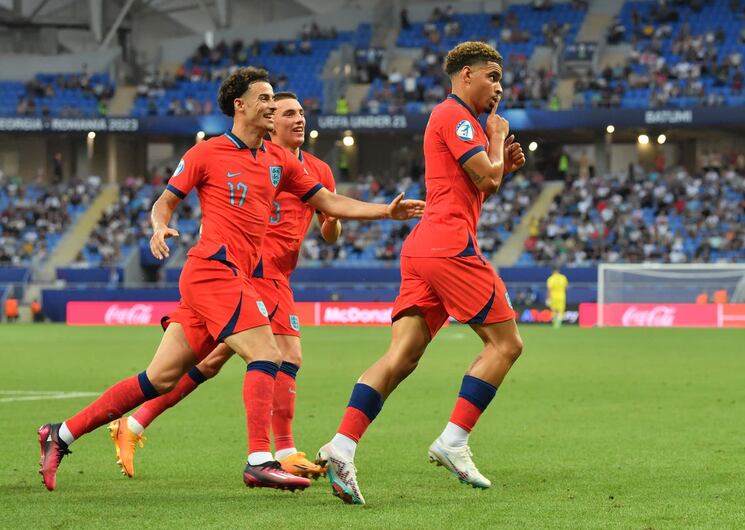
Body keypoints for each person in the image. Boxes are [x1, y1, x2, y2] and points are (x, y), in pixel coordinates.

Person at [37, 67, 424, 492]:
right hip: (212, 270)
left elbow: (328, 201)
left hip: (231, 277)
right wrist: (159, 226)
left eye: (275, 100)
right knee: (268, 352)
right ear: (240, 105)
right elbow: (165, 202)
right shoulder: (207, 153)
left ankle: (61, 433)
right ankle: (260, 458)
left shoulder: (279, 161)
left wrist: (386, 212)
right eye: (265, 99)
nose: (272, 106)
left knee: (158, 378)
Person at [315, 41, 526, 505]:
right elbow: (485, 181)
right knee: (507, 343)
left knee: (401, 357)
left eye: (501, 80)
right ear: (466, 74)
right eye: (492, 76)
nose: (499, 87)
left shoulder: (452, 120)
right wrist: (495, 139)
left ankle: (342, 445)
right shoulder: (457, 117)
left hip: (425, 247)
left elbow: (476, 189)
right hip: (449, 247)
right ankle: (453, 441)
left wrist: (499, 165)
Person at [107, 91, 342, 480]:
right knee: (282, 356)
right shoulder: (258, 160)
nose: (298, 119)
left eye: (301, 112)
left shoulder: (316, 169)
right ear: (270, 121)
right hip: (251, 272)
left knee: (213, 361)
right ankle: (279, 451)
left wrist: (331, 223)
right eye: (286, 113)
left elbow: (330, 228)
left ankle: (135, 424)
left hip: (280, 275)